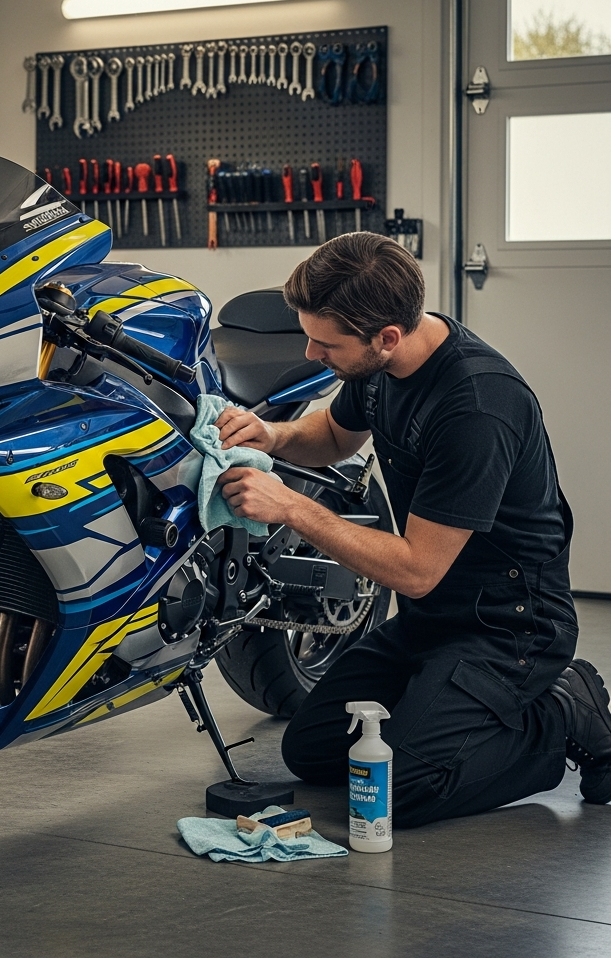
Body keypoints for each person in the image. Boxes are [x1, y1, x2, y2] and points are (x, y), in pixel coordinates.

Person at [214, 232, 611, 826]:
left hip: (509, 630)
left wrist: (292, 508)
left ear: (387, 337)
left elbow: (418, 571)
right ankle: (441, 711)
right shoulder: (382, 362)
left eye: (327, 344)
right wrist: (272, 436)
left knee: (400, 790)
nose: (312, 354)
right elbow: (335, 434)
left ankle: (562, 711)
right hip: (431, 623)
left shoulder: (476, 407)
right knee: (312, 752)